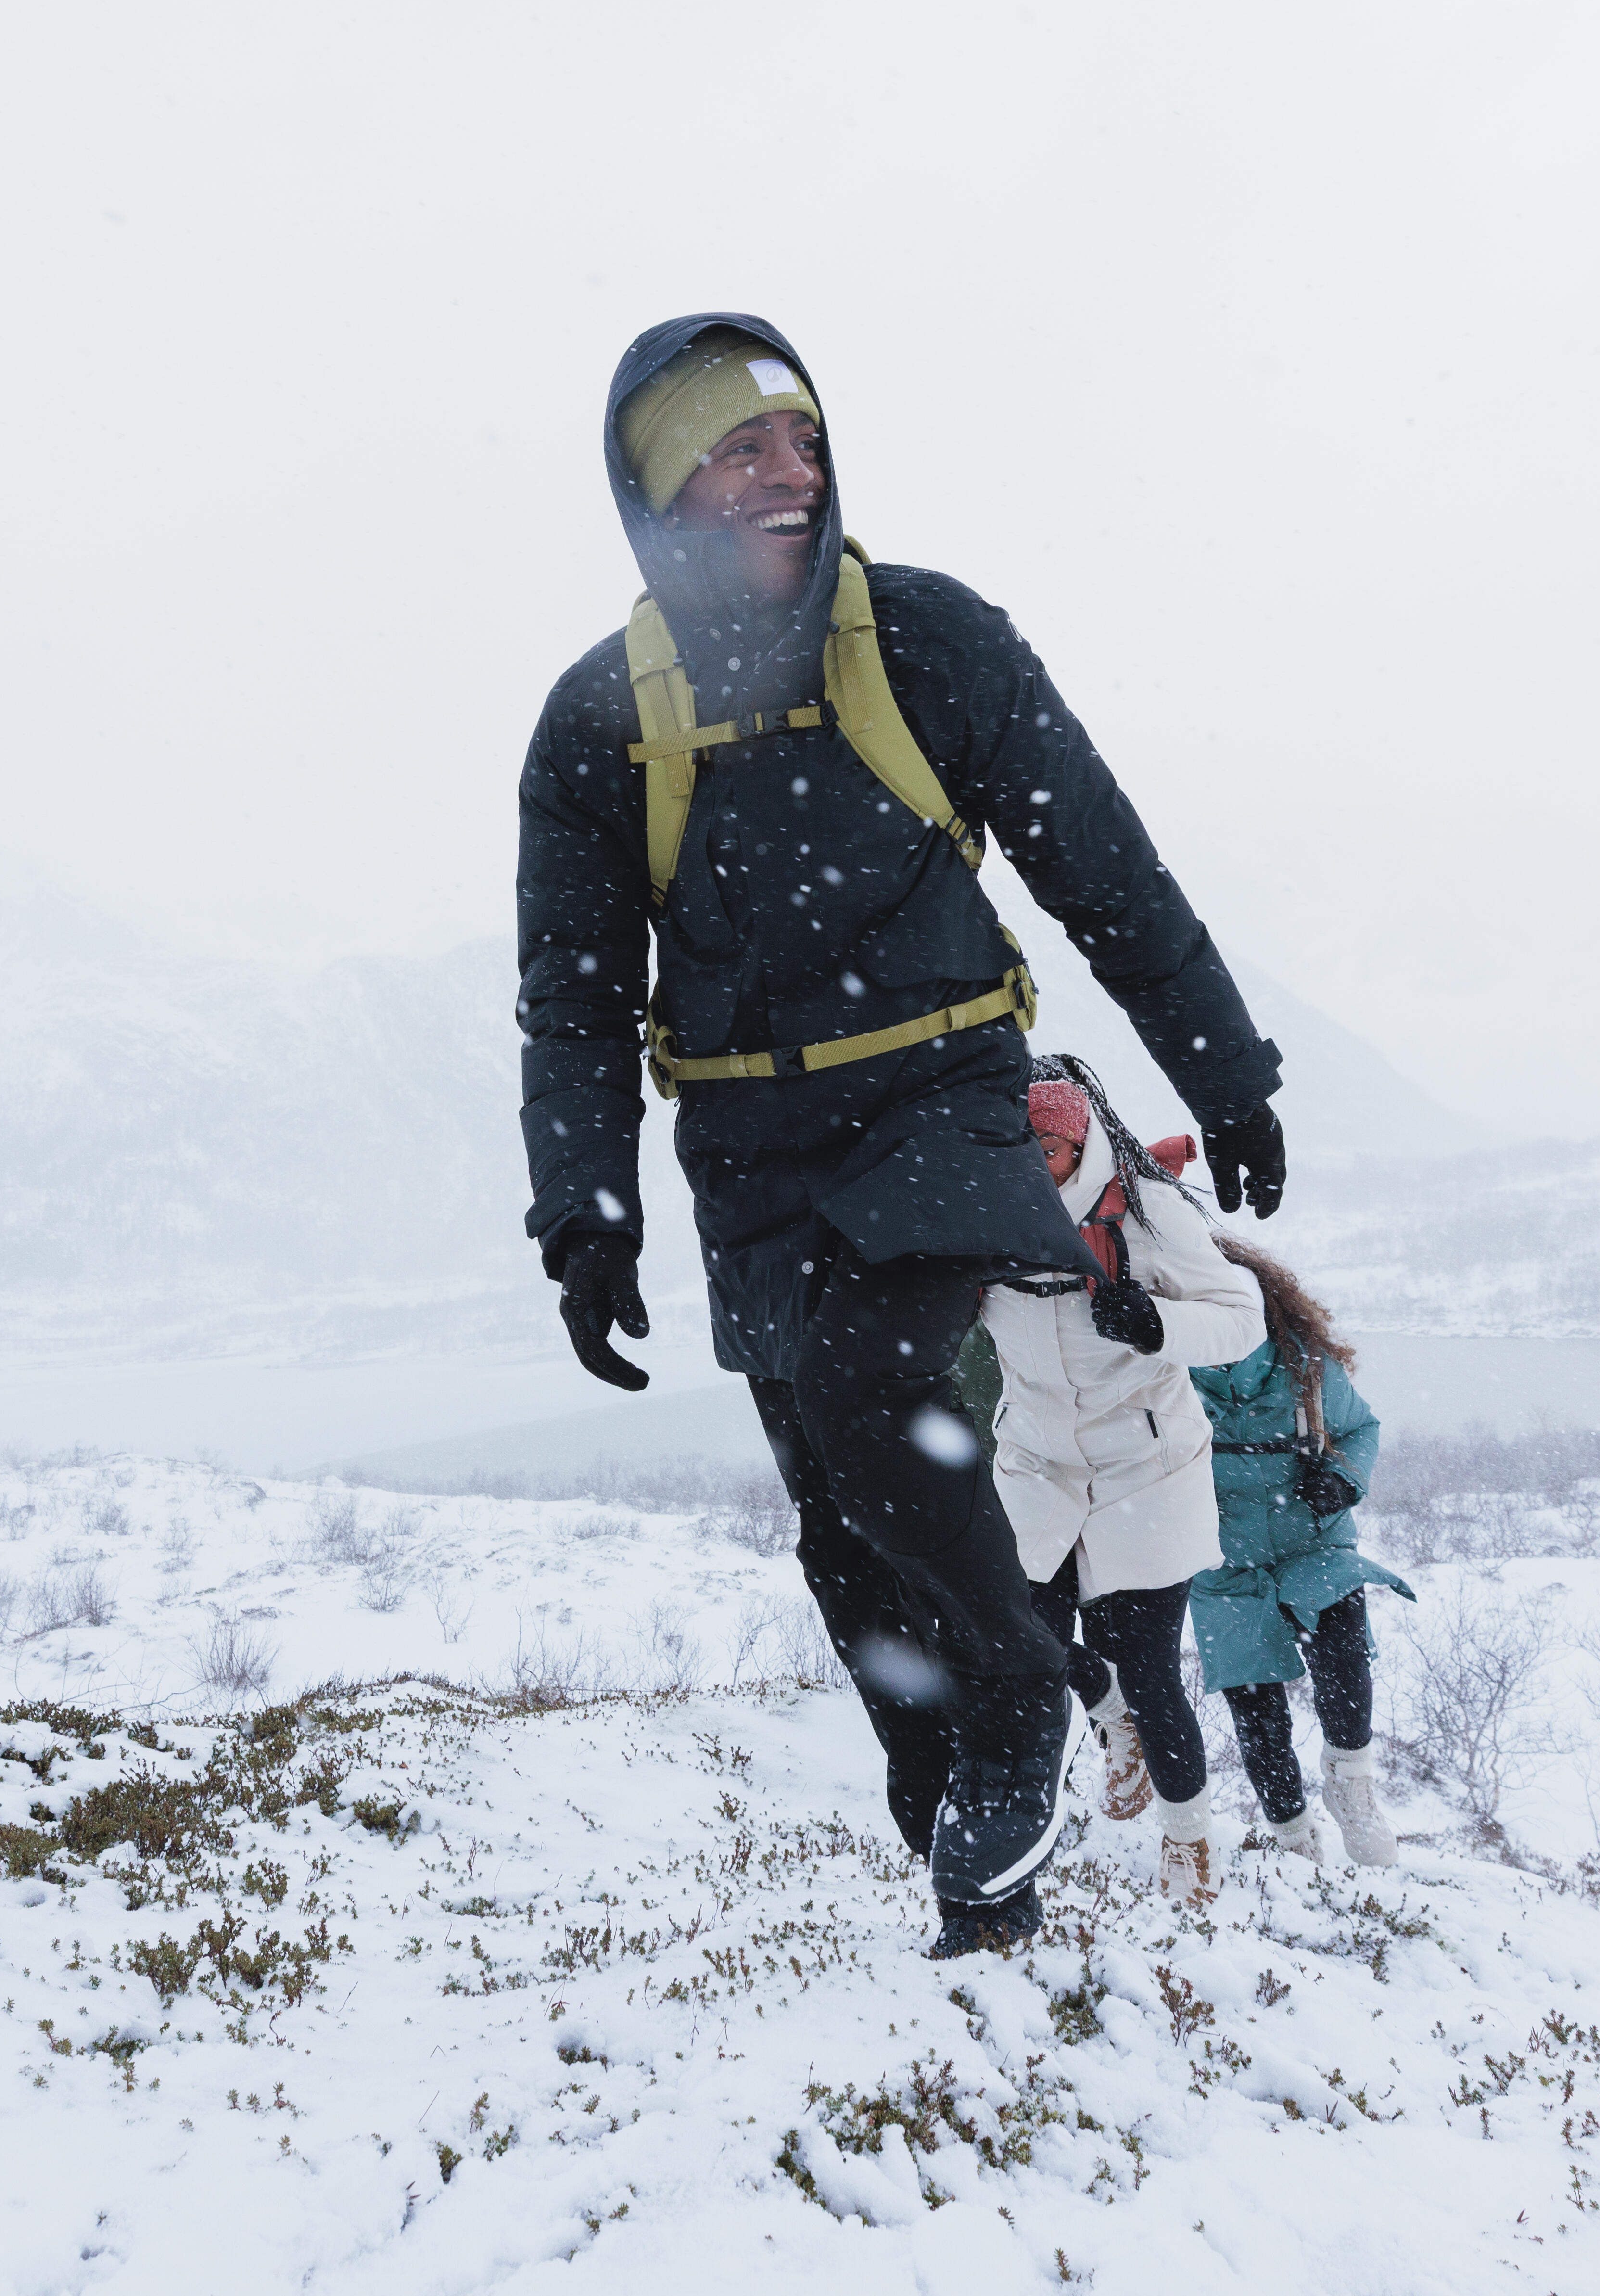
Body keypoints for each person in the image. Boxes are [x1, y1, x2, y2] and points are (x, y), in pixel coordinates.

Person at [515, 315, 1289, 1957]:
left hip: (944, 1089)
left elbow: (1104, 865)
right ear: (658, 491)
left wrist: (1221, 1069)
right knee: (834, 1522)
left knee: (875, 1397)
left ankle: (1023, 1692)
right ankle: (963, 1856)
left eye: (800, 443)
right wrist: (586, 1214)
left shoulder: (926, 640)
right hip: (746, 1148)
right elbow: (576, 1000)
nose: (789, 475)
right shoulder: (600, 728)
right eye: (740, 451)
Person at [976, 1061, 1265, 1907]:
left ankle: (1189, 1839)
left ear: (1086, 1137)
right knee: (1017, 1642)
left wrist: (1156, 1324)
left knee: (1147, 1660)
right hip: (1036, 1461)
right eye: (1026, 1143)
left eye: (1056, 1145)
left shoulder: (1146, 1209)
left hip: (1146, 1464)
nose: (1041, 1162)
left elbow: (1243, 1316)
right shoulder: (981, 1202)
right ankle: (1105, 1720)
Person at [1188, 1240, 1410, 1870]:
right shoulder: (1163, 1380)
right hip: (1222, 1562)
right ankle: (1293, 1840)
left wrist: (1343, 1477)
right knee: (1257, 1712)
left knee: (1344, 1659)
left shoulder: (1306, 1369)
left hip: (1313, 1542)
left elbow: (1360, 1430)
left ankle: (1352, 1786)